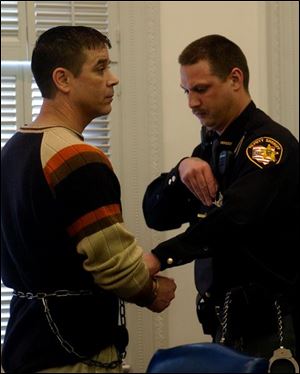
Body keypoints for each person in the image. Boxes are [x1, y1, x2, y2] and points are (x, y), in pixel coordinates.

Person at [1, 26, 176, 373]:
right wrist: (151, 290)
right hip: (74, 356)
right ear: (63, 79)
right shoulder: (76, 157)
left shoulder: (12, 150)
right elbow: (115, 267)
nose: (112, 80)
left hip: (25, 346)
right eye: (100, 68)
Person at [142, 34, 299, 371]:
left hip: (273, 326)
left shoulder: (267, 145)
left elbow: (234, 219)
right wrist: (181, 168)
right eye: (187, 91)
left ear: (235, 79)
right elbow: (155, 213)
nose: (192, 103)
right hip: (227, 321)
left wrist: (160, 257)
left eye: (201, 89)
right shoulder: (213, 148)